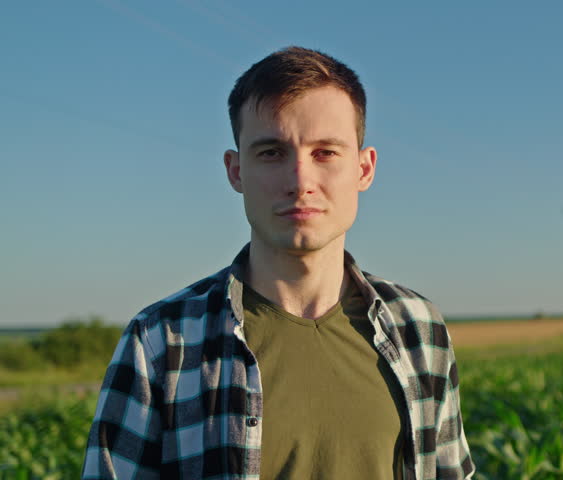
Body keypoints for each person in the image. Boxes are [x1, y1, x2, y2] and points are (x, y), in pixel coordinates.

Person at [82, 46, 475, 480]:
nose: (300, 181)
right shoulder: (161, 342)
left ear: (364, 169)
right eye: (271, 152)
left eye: (325, 152)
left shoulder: (419, 328)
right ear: (235, 171)